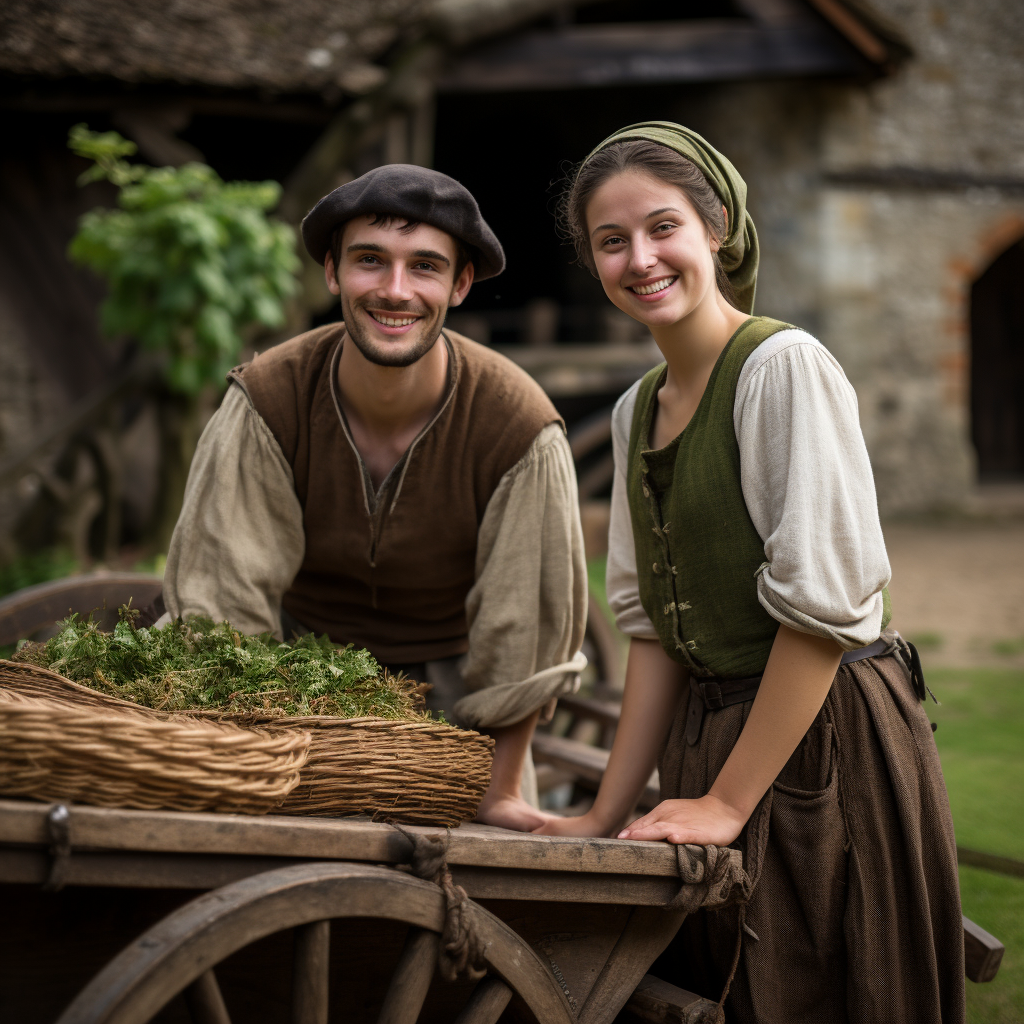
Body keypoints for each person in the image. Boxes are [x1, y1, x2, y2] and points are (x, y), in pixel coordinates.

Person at [535, 123, 964, 1022]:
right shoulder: (633, 409)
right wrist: (604, 811)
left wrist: (729, 802)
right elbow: (650, 630)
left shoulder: (782, 369)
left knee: (826, 990)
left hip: (826, 747)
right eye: (611, 241)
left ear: (718, 228)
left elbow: (820, 609)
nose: (639, 259)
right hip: (710, 740)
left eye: (663, 228)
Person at [160, 164, 587, 832]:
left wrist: (497, 793)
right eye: (369, 261)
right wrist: (254, 764)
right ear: (332, 273)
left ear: (460, 283)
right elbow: (222, 606)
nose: (395, 290)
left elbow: (523, 636)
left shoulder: (518, 426)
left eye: (424, 266)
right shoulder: (269, 399)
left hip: (458, 717)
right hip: (284, 695)